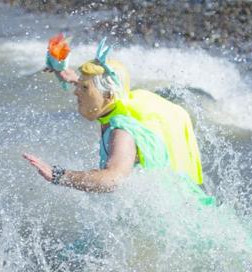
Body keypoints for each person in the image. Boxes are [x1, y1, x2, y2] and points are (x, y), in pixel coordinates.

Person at [24, 39, 205, 193]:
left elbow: (113, 179)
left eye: (84, 88)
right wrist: (70, 76)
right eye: (79, 85)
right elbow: (98, 92)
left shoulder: (122, 132)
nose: (76, 92)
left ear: (109, 95)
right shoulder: (116, 106)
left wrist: (58, 175)